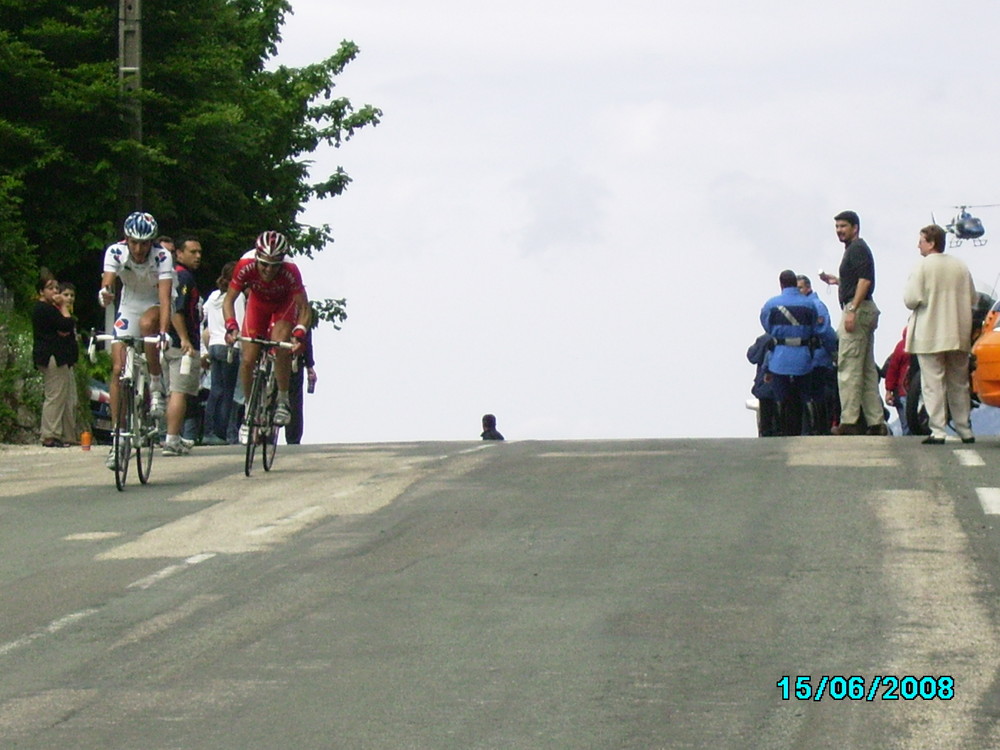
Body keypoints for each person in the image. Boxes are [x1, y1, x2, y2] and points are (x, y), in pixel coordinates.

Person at [99, 211, 174, 469]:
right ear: (126, 239)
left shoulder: (162, 256)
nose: (140, 249)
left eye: (145, 243)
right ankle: (118, 437)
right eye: (134, 242)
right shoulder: (116, 252)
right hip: (129, 305)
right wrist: (106, 293)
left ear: (152, 242)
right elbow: (108, 282)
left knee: (147, 326)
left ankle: (155, 384)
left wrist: (163, 331)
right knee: (118, 369)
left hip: (155, 304)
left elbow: (165, 298)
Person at [223, 231, 311, 443]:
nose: (269, 270)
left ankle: (282, 399)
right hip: (258, 304)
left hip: (283, 304)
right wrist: (231, 327)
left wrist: (299, 333)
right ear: (257, 259)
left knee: (280, 344)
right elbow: (228, 301)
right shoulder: (245, 264)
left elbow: (304, 308)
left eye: (275, 265)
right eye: (264, 265)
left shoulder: (290, 270)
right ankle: (249, 410)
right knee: (247, 359)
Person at [903, 224, 978, 445]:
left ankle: (938, 430)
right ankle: (964, 428)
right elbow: (973, 298)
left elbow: (911, 299)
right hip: (958, 331)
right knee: (959, 382)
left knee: (932, 382)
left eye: (922, 240)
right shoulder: (961, 266)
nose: (919, 244)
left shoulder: (923, 267)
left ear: (931, 242)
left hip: (930, 332)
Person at [818, 210, 888, 435]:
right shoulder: (855, 250)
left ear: (855, 227)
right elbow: (858, 279)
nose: (839, 231)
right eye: (837, 227)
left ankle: (849, 420)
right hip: (864, 308)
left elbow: (865, 281)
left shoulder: (857, 248)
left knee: (848, 366)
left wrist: (852, 309)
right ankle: (875, 422)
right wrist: (838, 281)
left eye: (843, 226)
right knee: (867, 370)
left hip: (858, 309)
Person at [760, 270, 820, 436]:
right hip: (803, 355)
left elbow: (767, 325)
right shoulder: (809, 304)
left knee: (780, 396)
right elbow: (815, 325)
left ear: (781, 284)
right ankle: (814, 429)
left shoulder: (771, 304)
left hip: (780, 356)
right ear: (795, 283)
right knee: (806, 396)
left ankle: (780, 431)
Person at [162, 236, 203, 456]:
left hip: (165, 342)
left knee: (171, 392)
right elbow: (176, 309)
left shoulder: (170, 276)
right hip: (180, 345)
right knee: (180, 392)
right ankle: (171, 440)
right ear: (179, 253)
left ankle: (173, 435)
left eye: (199, 252)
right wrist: (185, 339)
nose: (197, 256)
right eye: (192, 252)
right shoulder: (184, 277)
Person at [32, 274, 78, 447]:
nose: (55, 291)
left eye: (56, 288)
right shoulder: (44, 308)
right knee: (55, 395)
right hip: (51, 355)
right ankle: (49, 434)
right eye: (50, 288)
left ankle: (67, 435)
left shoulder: (50, 309)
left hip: (59, 356)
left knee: (65, 396)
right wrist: (64, 306)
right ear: (41, 291)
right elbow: (67, 324)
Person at [202, 261, 242, 445]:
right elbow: (239, 321)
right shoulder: (237, 297)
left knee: (215, 390)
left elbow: (204, 316)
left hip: (213, 344)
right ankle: (221, 431)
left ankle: (208, 430)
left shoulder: (213, 297)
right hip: (230, 347)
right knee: (228, 392)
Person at [796, 274, 838, 435]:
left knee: (820, 397)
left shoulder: (816, 305)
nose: (798, 291)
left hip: (819, 360)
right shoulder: (801, 306)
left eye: (800, 288)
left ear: (808, 288)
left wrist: (833, 353)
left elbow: (825, 331)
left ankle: (820, 429)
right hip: (807, 360)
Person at [285, 319, 316, 445]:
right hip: (290, 358)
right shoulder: (301, 309)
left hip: (289, 358)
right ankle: (292, 439)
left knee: (293, 401)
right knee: (294, 401)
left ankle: (269, 436)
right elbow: (307, 340)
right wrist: (309, 366)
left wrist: (309, 365)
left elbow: (306, 340)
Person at [746, 333, 780, 437]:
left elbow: (752, 356)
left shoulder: (765, 339)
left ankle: (766, 432)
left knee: (766, 413)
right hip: (787, 384)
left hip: (766, 385)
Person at [883, 328, 910, 435]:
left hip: (907, 393)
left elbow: (892, 370)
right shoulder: (901, 347)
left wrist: (889, 390)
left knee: (907, 425)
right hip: (904, 393)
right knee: (907, 425)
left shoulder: (900, 347)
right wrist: (889, 390)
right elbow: (892, 370)